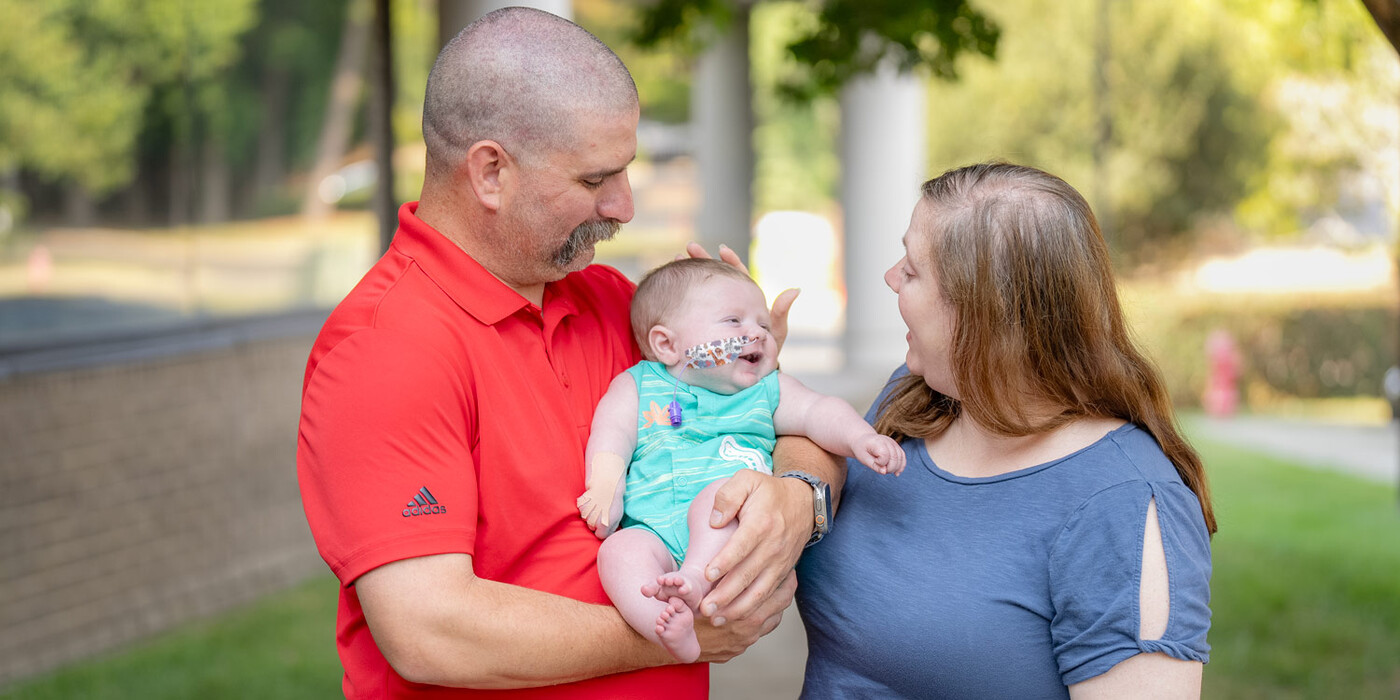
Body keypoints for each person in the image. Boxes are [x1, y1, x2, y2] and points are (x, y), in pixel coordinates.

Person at [296, 8, 840, 698]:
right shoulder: (385, 350)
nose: (624, 206)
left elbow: (801, 423)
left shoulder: (619, 305)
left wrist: (795, 501)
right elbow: (430, 629)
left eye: (626, 172)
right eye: (594, 180)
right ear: (490, 172)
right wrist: (672, 638)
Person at [796, 162, 1216, 698]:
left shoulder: (1124, 504)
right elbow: (804, 437)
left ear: (984, 311)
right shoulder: (912, 400)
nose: (891, 276)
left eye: (914, 267)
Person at [576, 258, 904, 663]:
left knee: (726, 494)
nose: (757, 334)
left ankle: (695, 578)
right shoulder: (638, 385)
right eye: (733, 321)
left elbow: (819, 411)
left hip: (729, 534)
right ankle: (664, 626)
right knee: (619, 553)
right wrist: (607, 485)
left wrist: (860, 437)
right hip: (652, 532)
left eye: (763, 326)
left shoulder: (765, 391)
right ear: (667, 344)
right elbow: (612, 433)